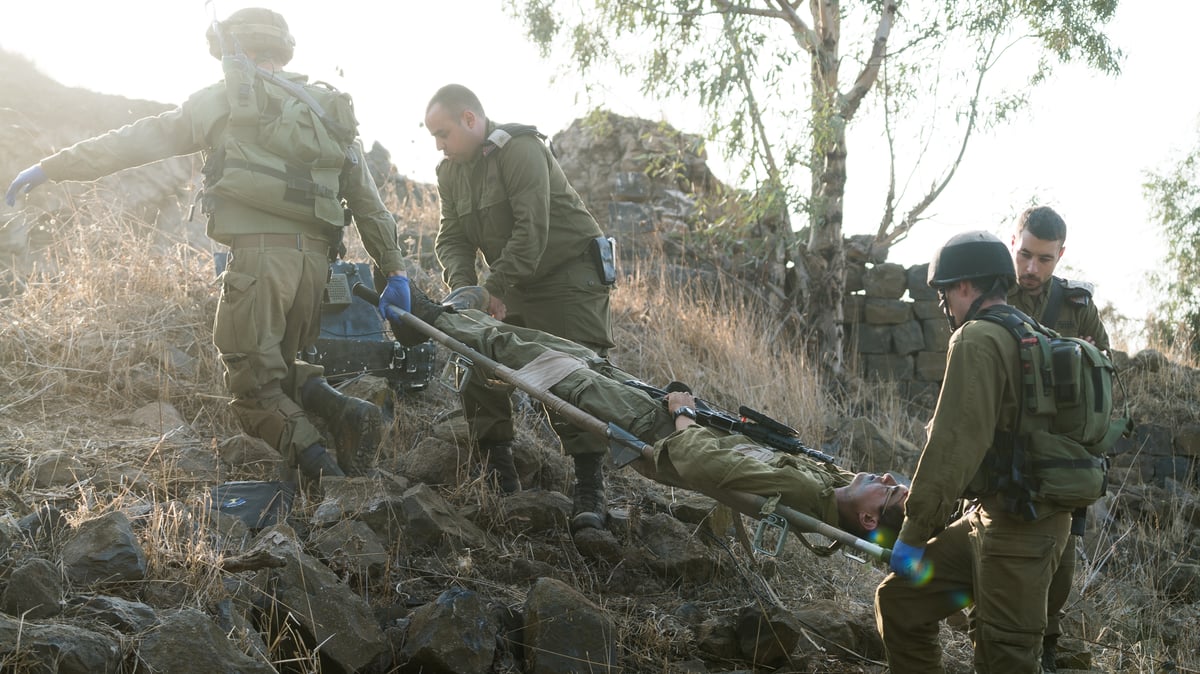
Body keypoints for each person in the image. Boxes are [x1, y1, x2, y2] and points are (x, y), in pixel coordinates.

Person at [5, 8, 411, 483]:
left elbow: (135, 141)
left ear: (232, 49)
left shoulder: (221, 99)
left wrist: (53, 166)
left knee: (252, 389)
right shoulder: (329, 110)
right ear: (282, 49)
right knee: (280, 364)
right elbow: (369, 202)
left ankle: (329, 479)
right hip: (317, 268)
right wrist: (396, 270)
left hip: (259, 263)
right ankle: (344, 411)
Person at [383, 283, 908, 540]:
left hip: (649, 427)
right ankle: (451, 315)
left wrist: (682, 413)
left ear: (866, 517)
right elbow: (778, 457)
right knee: (563, 348)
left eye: (889, 489)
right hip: (657, 411)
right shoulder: (827, 482)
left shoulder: (806, 494)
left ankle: (428, 318)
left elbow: (701, 465)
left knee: (533, 360)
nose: (885, 475)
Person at [874, 231, 1073, 673]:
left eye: (945, 293)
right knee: (901, 601)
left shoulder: (977, 338)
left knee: (1004, 661)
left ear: (964, 286)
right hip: (997, 519)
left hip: (1021, 532)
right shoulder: (1031, 332)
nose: (945, 305)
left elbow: (952, 448)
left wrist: (912, 534)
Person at [424, 83, 615, 532]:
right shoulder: (450, 172)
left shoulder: (520, 150)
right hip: (512, 280)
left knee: (571, 375)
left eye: (444, 133)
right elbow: (451, 237)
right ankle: (500, 474)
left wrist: (493, 287)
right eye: (433, 136)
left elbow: (533, 233)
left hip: (567, 278)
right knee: (478, 362)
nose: (438, 144)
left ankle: (590, 486)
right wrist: (467, 291)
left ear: (471, 119)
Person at [1008, 205, 1110, 671]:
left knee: (1060, 562)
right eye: (1025, 254)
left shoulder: (1077, 307)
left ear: (1060, 255)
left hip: (1060, 457)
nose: (1032, 268)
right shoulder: (990, 292)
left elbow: (1105, 380)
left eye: (1045, 259)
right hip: (1003, 447)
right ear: (1014, 241)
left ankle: (1045, 648)